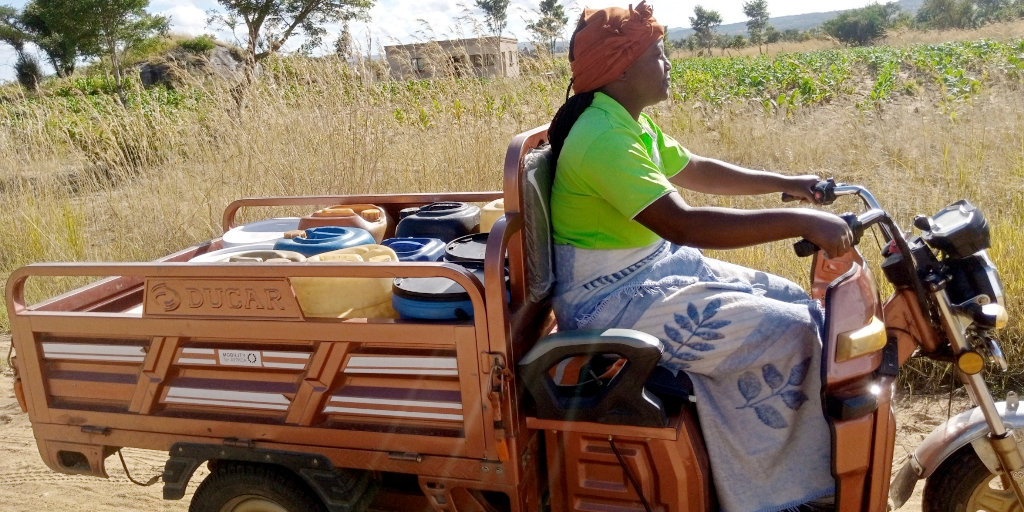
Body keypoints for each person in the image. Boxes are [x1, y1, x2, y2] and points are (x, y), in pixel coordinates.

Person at [546, 2, 852, 511]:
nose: (668, 64)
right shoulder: (601, 136)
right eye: (659, 54)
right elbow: (684, 225)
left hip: (650, 270)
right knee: (788, 331)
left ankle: (783, 463)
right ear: (621, 66)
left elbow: (695, 168)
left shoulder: (624, 122)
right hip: (610, 299)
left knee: (800, 304)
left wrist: (788, 185)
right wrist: (800, 222)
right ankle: (773, 493)